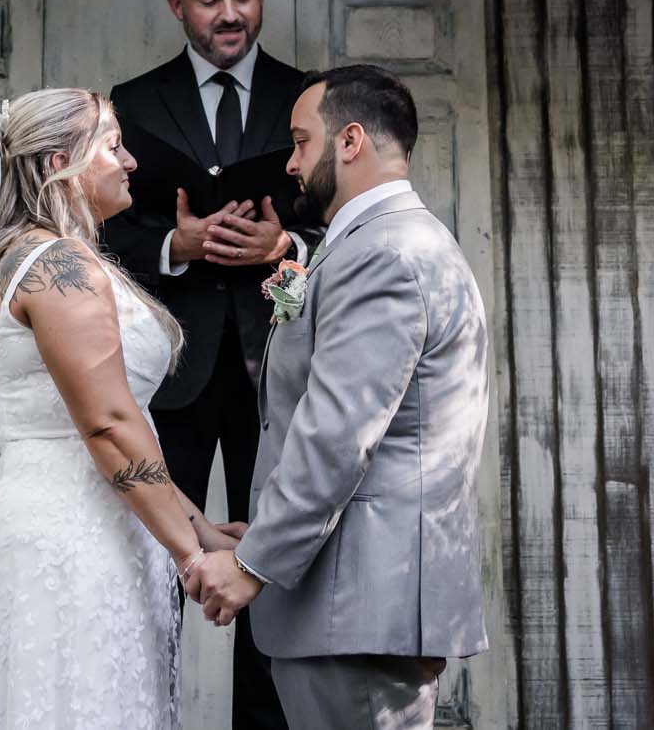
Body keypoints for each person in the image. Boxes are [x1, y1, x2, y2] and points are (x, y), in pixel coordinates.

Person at [0, 87, 246, 730]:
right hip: (71, 536)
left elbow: (109, 423)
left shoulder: (26, 259)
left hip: (80, 517)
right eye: (113, 146)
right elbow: (107, 424)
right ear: (62, 160)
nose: (131, 162)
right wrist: (191, 557)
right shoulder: (58, 265)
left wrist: (200, 525)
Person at [186, 65, 492, 730]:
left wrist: (253, 563)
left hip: (357, 608)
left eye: (301, 141)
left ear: (348, 140)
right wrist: (262, 531)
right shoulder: (370, 244)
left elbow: (338, 435)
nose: (291, 163)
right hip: (345, 603)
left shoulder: (385, 252)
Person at [104, 0, 312, 730]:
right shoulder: (134, 99)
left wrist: (284, 245)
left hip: (280, 367)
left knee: (275, 562)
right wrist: (175, 244)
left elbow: (342, 218)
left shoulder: (307, 97)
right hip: (176, 374)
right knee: (159, 564)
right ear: (177, 5)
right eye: (210, 0)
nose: (230, 14)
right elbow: (103, 235)